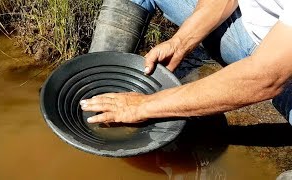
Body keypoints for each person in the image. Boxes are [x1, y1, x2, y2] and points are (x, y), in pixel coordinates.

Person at [80, 0, 292, 125]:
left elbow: (266, 76)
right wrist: (181, 42)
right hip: (252, 34)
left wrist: (142, 107)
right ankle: (97, 81)